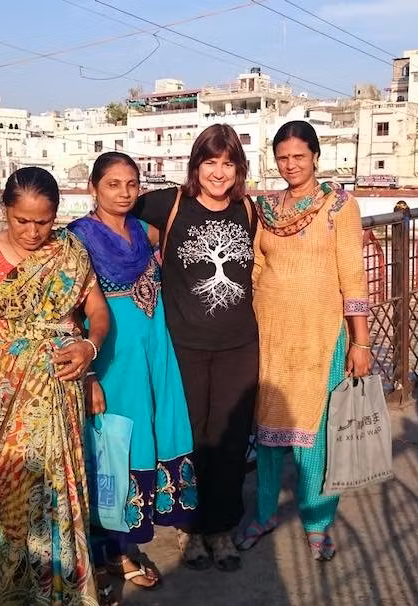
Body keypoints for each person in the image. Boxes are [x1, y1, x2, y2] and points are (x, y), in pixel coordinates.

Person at [0, 167, 112, 605]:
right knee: (12, 494)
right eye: (22, 220)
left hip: (60, 391)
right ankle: (14, 595)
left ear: (56, 215)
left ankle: (65, 594)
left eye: (43, 221)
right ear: (5, 210)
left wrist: (88, 349)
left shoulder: (70, 251)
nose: (33, 231)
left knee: (61, 488)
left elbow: (97, 313)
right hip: (6, 397)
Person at [234, 120, 372, 561]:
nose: (291, 164)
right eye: (283, 157)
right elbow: (256, 267)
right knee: (269, 432)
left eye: (299, 156)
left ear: (315, 156)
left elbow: (353, 276)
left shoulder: (338, 207)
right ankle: (265, 514)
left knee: (315, 433)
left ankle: (317, 522)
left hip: (320, 335)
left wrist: (361, 342)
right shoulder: (268, 210)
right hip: (270, 334)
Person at [132, 123, 259, 572]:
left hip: (239, 346)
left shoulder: (248, 208)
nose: (219, 173)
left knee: (228, 439)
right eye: (210, 162)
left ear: (238, 168)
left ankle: (221, 529)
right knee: (192, 438)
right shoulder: (168, 204)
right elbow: (115, 214)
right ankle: (191, 527)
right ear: (195, 165)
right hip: (183, 345)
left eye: (228, 163)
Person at [68, 152, 197, 589]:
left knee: (150, 435)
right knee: (112, 449)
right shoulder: (77, 240)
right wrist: (87, 376)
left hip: (154, 351)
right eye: (113, 184)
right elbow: (65, 314)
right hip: (112, 360)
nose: (124, 193)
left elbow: (187, 211)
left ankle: (126, 546)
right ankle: (109, 558)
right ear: (93, 187)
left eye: (131, 184)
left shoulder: (145, 232)